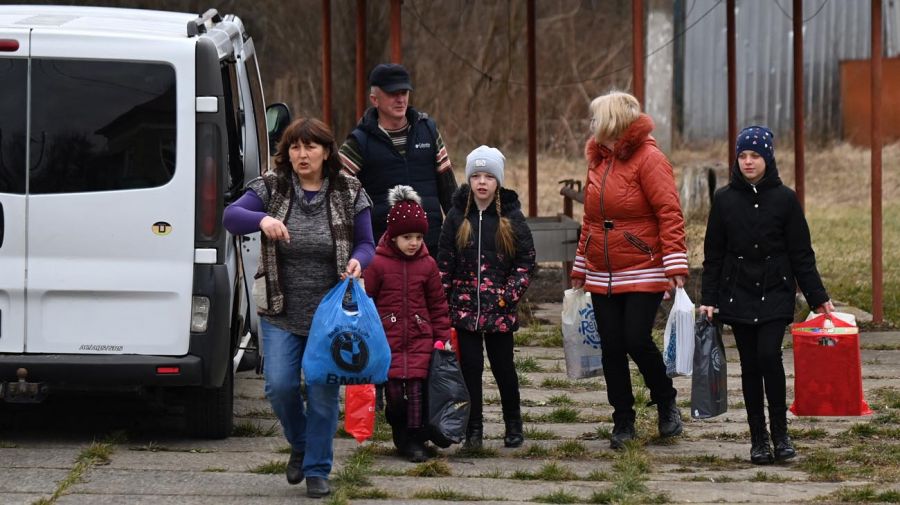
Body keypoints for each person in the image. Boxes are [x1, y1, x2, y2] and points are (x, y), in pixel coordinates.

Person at [223, 118, 375, 498]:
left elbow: (367, 243)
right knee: (279, 386)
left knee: (323, 395)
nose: (302, 154)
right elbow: (231, 217)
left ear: (327, 151)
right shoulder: (272, 186)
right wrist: (263, 219)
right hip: (281, 310)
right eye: (295, 147)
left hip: (331, 317)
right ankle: (302, 443)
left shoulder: (349, 190)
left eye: (310, 147)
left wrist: (358, 261)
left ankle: (318, 470)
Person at [699, 125, 834, 465]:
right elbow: (713, 255)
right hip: (737, 292)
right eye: (743, 155)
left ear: (768, 159)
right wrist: (709, 298)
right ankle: (758, 438)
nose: (748, 162)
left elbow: (801, 253)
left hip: (776, 289)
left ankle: (781, 434)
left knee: (769, 356)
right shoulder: (724, 200)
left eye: (755, 156)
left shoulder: (785, 199)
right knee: (750, 364)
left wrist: (817, 296)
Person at [570, 91, 689, 450]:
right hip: (603, 270)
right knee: (611, 346)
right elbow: (590, 219)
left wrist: (675, 261)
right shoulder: (598, 160)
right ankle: (623, 418)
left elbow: (669, 212)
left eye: (596, 117)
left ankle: (665, 400)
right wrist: (581, 264)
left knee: (636, 339)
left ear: (613, 121)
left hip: (643, 265)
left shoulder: (650, 159)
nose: (591, 124)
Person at [339, 62, 458, 410]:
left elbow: (448, 186)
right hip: (382, 253)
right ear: (375, 98)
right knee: (382, 322)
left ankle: (428, 388)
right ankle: (380, 390)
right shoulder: (358, 142)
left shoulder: (428, 130)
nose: (400, 99)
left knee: (427, 318)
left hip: (429, 245)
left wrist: (458, 229)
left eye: (404, 92)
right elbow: (342, 198)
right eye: (392, 93)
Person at [437, 146, 535, 450]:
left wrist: (509, 295)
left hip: (499, 310)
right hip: (464, 311)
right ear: (468, 179)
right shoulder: (456, 217)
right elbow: (444, 262)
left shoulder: (512, 217)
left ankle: (513, 423)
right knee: (470, 370)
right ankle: (474, 428)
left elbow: (526, 260)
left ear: (498, 181)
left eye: (489, 176)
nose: (482, 182)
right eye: (476, 176)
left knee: (504, 369)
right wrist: (444, 301)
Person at [363, 185, 452, 462]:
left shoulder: (427, 265)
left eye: (418, 237)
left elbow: (438, 305)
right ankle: (399, 430)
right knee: (394, 395)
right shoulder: (377, 263)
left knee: (416, 393)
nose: (413, 243)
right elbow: (367, 299)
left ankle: (415, 440)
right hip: (387, 340)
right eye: (407, 237)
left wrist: (442, 337)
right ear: (393, 236)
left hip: (419, 338)